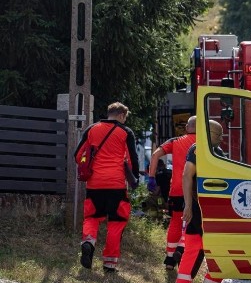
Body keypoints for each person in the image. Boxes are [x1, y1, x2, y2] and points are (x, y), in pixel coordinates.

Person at [75, 102, 139, 273]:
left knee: (91, 217)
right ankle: (109, 264)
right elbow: (132, 159)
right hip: (116, 185)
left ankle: (88, 242)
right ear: (121, 115)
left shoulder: (92, 129)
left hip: (94, 184)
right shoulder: (125, 132)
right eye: (125, 117)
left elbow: (78, 155)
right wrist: (135, 180)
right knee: (117, 222)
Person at [173, 120, 229, 283]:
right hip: (201, 209)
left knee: (192, 250)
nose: (221, 138)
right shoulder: (198, 149)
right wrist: (188, 205)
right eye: (218, 134)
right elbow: (187, 175)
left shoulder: (216, 152)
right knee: (223, 249)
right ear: (208, 133)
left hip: (205, 208)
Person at [148, 116, 197, 270]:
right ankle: (181, 249)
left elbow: (155, 154)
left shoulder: (175, 141)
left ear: (188, 127)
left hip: (176, 189)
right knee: (193, 224)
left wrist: (151, 177)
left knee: (176, 222)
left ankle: (169, 260)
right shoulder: (204, 143)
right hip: (196, 191)